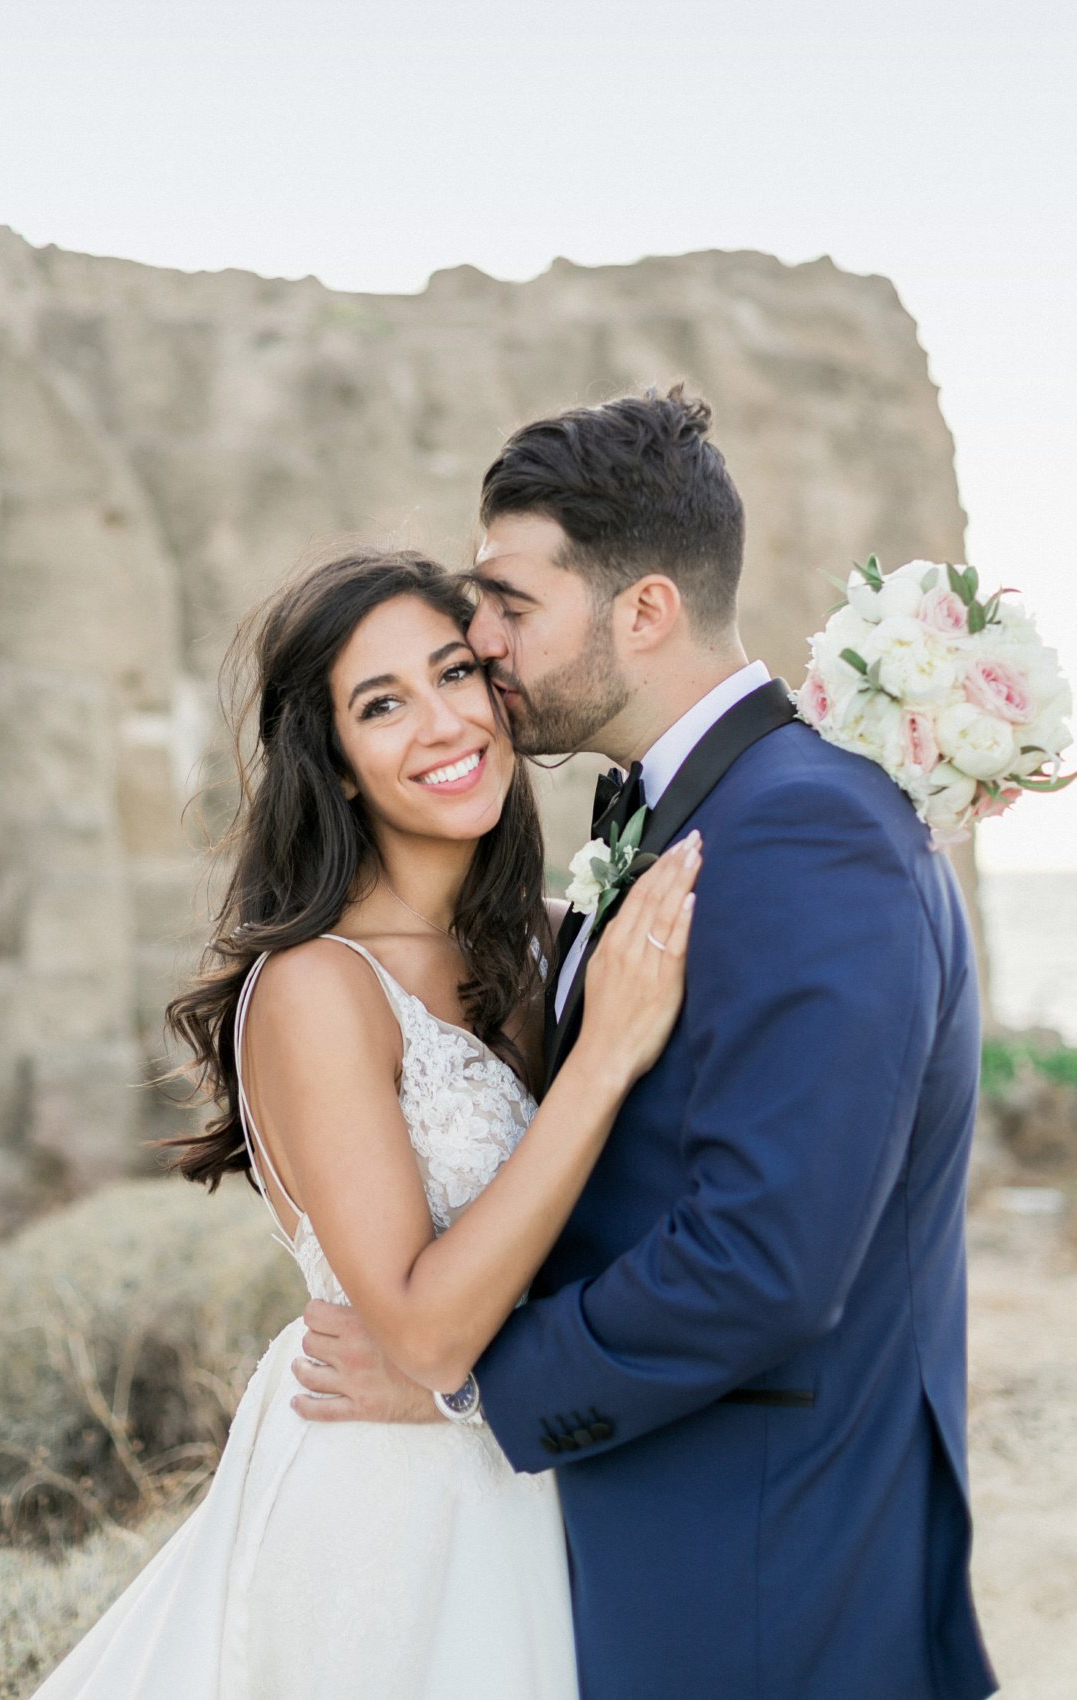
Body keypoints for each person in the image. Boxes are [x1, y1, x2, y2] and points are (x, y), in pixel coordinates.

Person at [294, 389, 999, 1700]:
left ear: (645, 611)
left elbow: (763, 1260)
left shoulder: (801, 831)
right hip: (673, 1551)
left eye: (508, 606)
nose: (481, 643)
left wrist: (474, 1394)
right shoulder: (688, 815)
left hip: (769, 1581)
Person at [29, 547, 699, 1699]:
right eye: (381, 704)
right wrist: (602, 1061)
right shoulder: (314, 987)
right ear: (333, 765)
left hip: (543, 1478)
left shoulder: (557, 943)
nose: (440, 723)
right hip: (382, 1511)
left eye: (454, 674)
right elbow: (427, 1334)